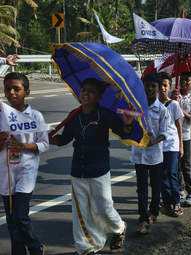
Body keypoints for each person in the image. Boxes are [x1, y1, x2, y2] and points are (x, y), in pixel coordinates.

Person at [50, 78, 132, 254]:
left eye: (91, 91)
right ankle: (85, 249)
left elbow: (123, 133)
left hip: (99, 169)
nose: (86, 93)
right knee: (80, 212)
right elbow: (65, 138)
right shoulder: (74, 114)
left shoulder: (105, 114)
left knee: (103, 207)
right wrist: (48, 139)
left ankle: (119, 228)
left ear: (100, 97)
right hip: (77, 170)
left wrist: (127, 123)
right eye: (83, 89)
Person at [0, 72, 48, 255]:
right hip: (6, 174)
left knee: (20, 215)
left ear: (26, 92)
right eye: (7, 88)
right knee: (11, 220)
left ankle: (35, 247)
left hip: (26, 172)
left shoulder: (35, 116)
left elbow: (44, 144)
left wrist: (23, 146)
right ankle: (18, 251)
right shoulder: (1, 117)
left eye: (16, 89)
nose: (11, 93)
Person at [130, 73, 168, 234]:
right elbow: (128, 127)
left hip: (155, 156)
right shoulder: (136, 106)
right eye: (147, 85)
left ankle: (154, 211)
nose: (150, 89)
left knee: (155, 186)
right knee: (141, 188)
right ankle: (143, 219)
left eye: (154, 86)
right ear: (142, 86)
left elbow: (164, 133)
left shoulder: (162, 110)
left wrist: (153, 142)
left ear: (159, 89)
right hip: (138, 155)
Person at [170, 72, 191, 207]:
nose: (183, 82)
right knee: (175, 165)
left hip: (187, 135)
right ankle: (180, 189)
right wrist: (171, 100)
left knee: (186, 165)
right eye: (181, 80)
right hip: (173, 135)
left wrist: (180, 111)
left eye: (187, 81)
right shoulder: (173, 95)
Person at [158, 72, 184, 216]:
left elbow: (178, 125)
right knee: (162, 175)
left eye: (165, 85)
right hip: (159, 145)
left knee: (171, 173)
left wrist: (181, 145)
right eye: (160, 85)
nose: (162, 88)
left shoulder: (174, 104)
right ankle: (166, 202)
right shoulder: (153, 105)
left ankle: (177, 202)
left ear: (170, 87)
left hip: (172, 144)